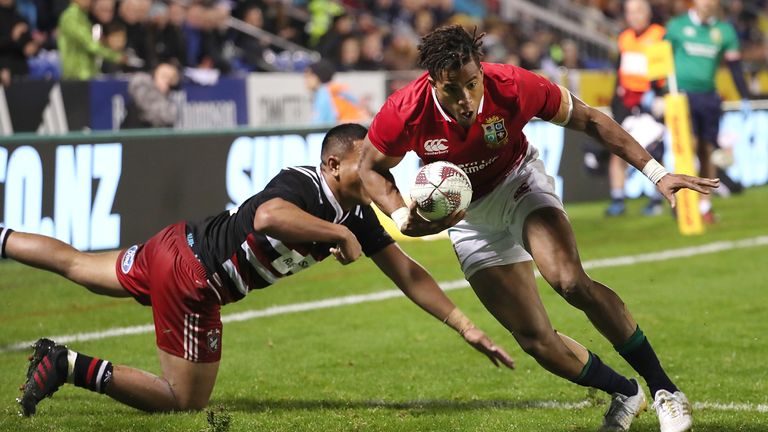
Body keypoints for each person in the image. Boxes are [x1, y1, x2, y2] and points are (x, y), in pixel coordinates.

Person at [8, 123, 513, 416]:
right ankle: (67, 364)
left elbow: (409, 274)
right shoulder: (305, 183)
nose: (377, 174)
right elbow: (269, 216)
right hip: (195, 279)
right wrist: (338, 235)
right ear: (334, 165)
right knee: (183, 401)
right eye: (366, 165)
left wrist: (464, 325)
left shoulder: (359, 214)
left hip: (177, 246)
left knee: (78, 264)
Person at [358, 25, 719, 432]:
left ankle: (664, 389)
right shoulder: (405, 109)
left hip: (519, 184)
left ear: (482, 71)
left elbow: (589, 119)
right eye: (452, 90)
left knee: (569, 281)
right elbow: (369, 167)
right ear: (432, 83)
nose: (466, 100)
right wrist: (401, 217)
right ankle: (625, 391)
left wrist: (656, 173)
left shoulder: (513, 86)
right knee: (534, 338)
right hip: (468, 219)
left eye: (472, 84)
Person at [664, 0, 751, 223]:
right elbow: (662, 57)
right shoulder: (676, 26)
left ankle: (705, 206)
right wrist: (657, 90)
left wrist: (744, 96)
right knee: (688, 145)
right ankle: (682, 201)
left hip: (709, 96)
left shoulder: (724, 31)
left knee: (707, 150)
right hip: (682, 95)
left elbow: (734, 66)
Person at [606, 0, 667, 217]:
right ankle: (617, 199)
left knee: (654, 152)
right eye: (630, 12)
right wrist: (615, 102)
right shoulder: (624, 38)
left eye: (638, 11)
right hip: (627, 105)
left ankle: (657, 198)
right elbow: (620, 73)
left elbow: (665, 70)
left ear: (648, 13)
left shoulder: (660, 35)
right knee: (618, 150)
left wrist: (660, 95)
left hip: (651, 103)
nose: (634, 16)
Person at [57, 0, 124, 80]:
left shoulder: (83, 15)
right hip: (76, 74)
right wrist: (116, 56)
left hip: (89, 72)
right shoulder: (71, 17)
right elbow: (90, 44)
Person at [305, 59, 369, 124]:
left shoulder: (324, 93)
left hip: (345, 128)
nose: (306, 80)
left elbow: (317, 123)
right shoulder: (336, 89)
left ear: (317, 76)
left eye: (308, 76)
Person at [121, 61, 180, 129]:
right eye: (164, 77)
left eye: (170, 79)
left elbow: (170, 118)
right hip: (134, 132)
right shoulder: (142, 90)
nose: (167, 82)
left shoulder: (167, 102)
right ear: (155, 76)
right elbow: (151, 112)